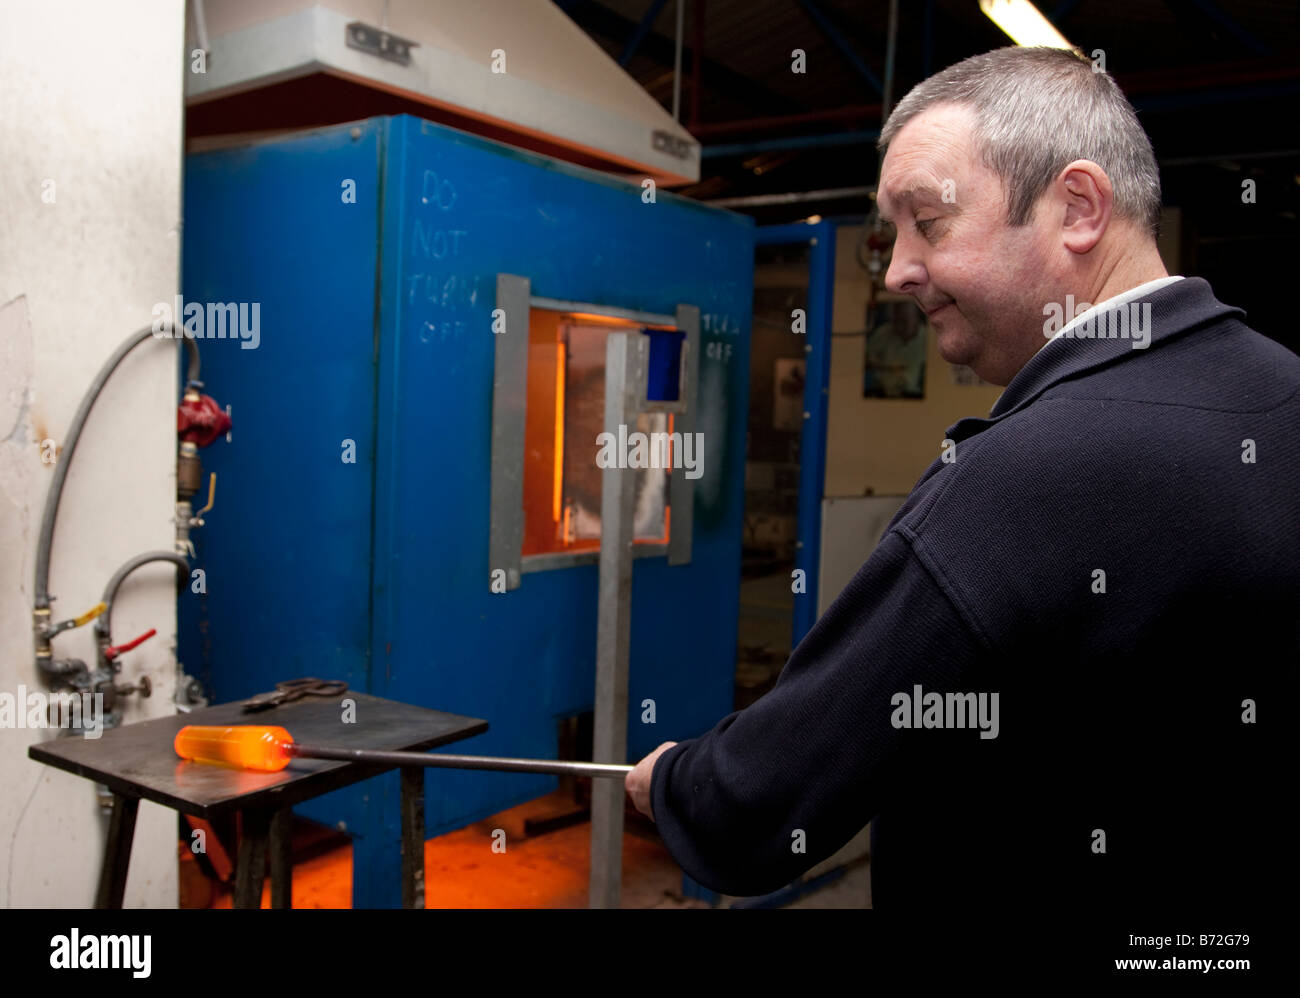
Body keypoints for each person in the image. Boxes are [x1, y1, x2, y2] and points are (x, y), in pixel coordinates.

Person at [625, 46, 1299, 909]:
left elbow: (762, 805)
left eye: (928, 223)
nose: (899, 268)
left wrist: (678, 782)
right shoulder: (1284, 391)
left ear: (1079, 207)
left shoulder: (1029, 471)